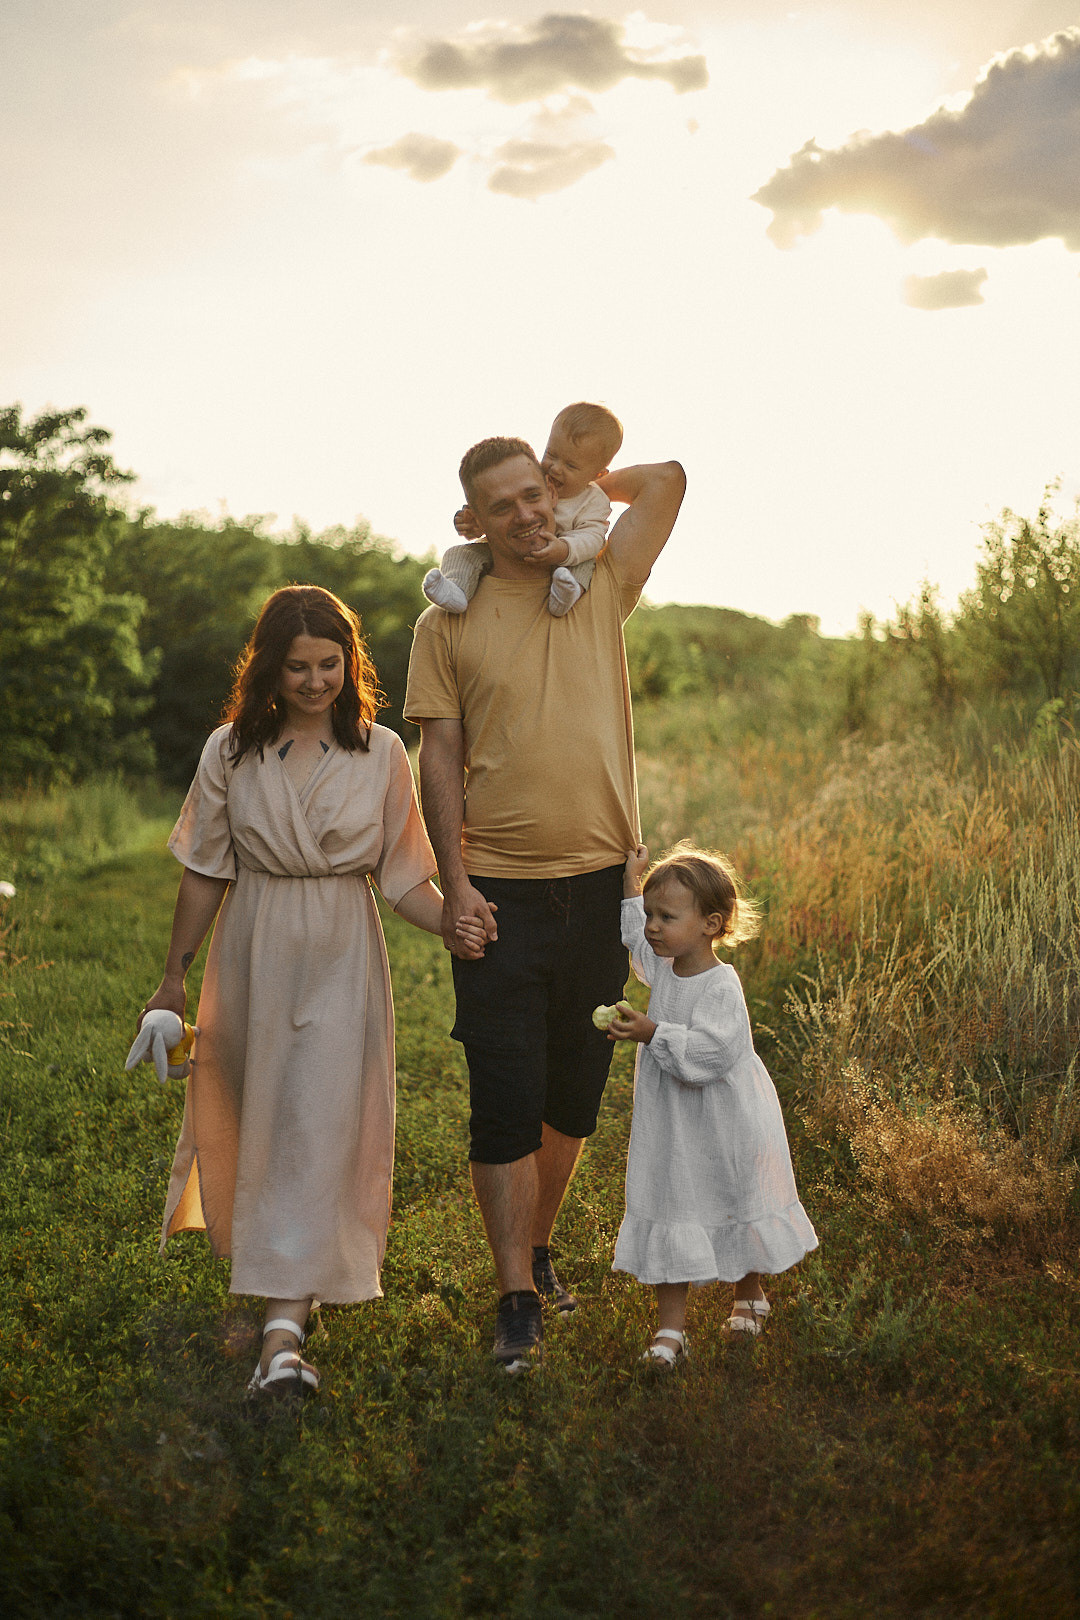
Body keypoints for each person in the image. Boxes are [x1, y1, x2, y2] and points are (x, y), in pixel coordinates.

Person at [139, 585, 479, 1397]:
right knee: (265, 1115)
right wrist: (172, 982)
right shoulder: (229, 750)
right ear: (268, 668)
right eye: (298, 667)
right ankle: (287, 1297)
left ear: (349, 663)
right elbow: (204, 872)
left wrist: (456, 922)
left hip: (339, 948)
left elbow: (401, 879)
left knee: (322, 1119)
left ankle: (281, 1338)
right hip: (253, 947)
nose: (316, 681)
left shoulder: (382, 753)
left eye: (330, 664)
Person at [404, 436, 686, 1372]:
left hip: (606, 889)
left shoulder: (600, 579)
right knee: (504, 1103)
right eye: (503, 506)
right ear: (472, 523)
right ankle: (514, 1298)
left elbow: (669, 481)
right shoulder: (447, 618)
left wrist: (574, 487)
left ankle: (539, 1249)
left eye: (535, 495)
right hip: (501, 896)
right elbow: (436, 756)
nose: (525, 515)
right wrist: (454, 884)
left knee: (574, 1095)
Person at [606, 842, 818, 1366]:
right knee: (675, 1201)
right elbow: (636, 940)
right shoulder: (663, 967)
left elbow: (712, 1054)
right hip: (674, 1126)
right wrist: (633, 887)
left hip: (725, 1119)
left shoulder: (721, 986)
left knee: (732, 1196)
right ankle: (670, 1330)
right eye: (652, 915)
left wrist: (653, 1031)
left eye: (667, 917)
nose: (654, 927)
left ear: (711, 924)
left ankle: (749, 1291)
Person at [422, 402, 623, 619]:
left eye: (571, 466)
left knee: (584, 565)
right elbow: (489, 506)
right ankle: (456, 591)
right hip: (509, 550)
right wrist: (469, 522)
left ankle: (566, 596)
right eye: (551, 455)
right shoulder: (530, 476)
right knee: (460, 553)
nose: (555, 468)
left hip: (567, 556)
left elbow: (592, 537)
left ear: (598, 475)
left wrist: (564, 550)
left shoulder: (593, 501)